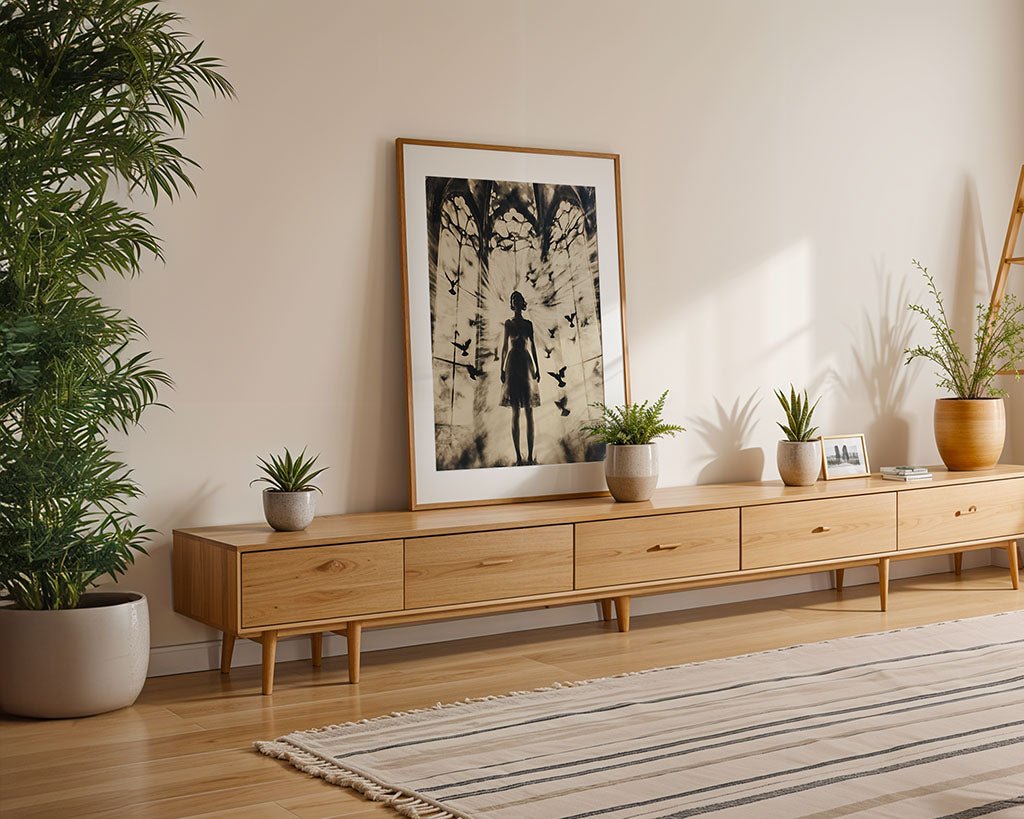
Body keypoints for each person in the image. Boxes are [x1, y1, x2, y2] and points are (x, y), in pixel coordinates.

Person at [500, 290, 541, 465]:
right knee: (515, 411)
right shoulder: (508, 323)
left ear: (522, 303)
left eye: (518, 299)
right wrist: (501, 369)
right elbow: (504, 347)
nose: (516, 302)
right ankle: (518, 457)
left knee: (529, 411)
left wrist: (537, 367)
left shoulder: (528, 324)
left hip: (525, 364)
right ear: (511, 304)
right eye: (513, 299)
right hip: (512, 365)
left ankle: (530, 456)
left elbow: (533, 347)